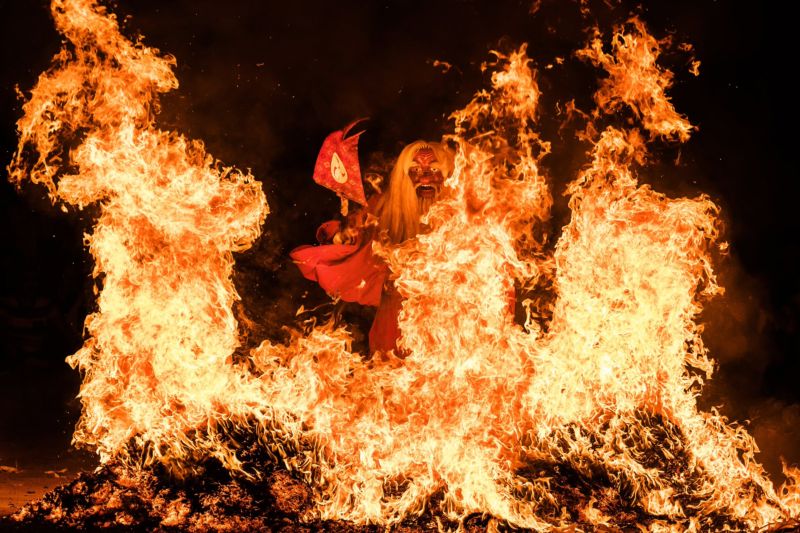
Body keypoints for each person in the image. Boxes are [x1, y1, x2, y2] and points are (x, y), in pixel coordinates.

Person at [291, 140, 455, 354]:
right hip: (397, 316)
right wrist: (343, 235)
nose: (424, 177)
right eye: (415, 170)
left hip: (450, 316)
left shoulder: (464, 211)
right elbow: (357, 232)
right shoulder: (385, 206)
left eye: (433, 169)